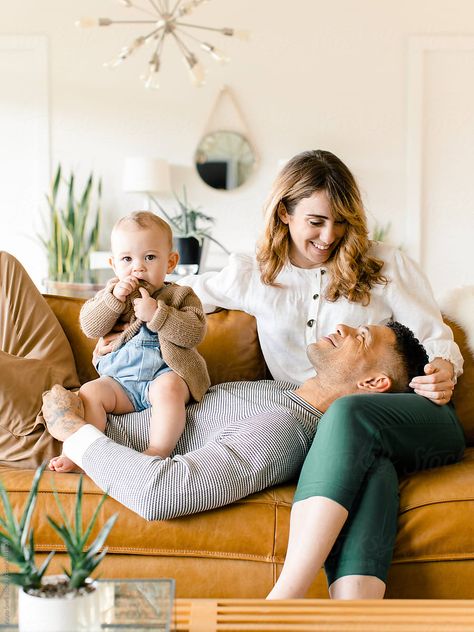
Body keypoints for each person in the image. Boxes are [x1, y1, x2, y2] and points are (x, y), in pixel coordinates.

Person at [41, 319, 454, 528]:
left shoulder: (286, 430)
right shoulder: (281, 394)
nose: (342, 327)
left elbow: (160, 494)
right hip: (81, 405)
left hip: (51, 438)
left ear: (373, 383)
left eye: (361, 336)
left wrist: (70, 427)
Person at [49, 211, 210, 472]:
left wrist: (158, 314)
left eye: (149, 257)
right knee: (91, 391)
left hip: (165, 375)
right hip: (120, 384)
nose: (138, 267)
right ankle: (83, 451)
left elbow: (194, 332)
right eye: (127, 259)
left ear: (170, 262)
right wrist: (113, 300)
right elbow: (90, 327)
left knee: (168, 389)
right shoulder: (111, 294)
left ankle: (157, 449)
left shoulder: (180, 295)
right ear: (114, 264)